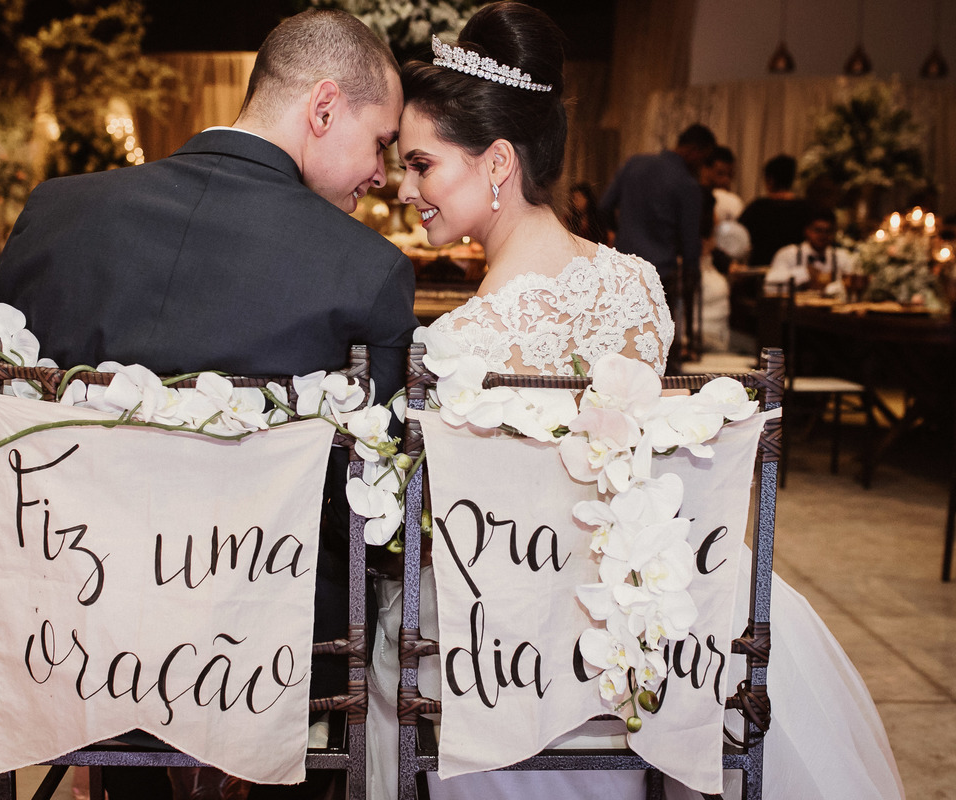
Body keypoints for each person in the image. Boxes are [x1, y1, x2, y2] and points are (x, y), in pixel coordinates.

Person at [371, 4, 904, 800]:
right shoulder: (638, 288)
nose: (406, 188)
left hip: (512, 650)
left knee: (389, 635)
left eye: (422, 164)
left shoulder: (454, 343)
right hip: (646, 620)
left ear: (498, 162)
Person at [0, 9, 418, 799]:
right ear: (324, 107)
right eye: (381, 141)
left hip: (76, 630)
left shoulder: (55, 213)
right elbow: (367, 499)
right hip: (270, 656)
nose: (382, 173)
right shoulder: (367, 269)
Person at [600, 123, 717, 362]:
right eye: (703, 158)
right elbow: (690, 244)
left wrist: (614, 235)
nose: (702, 165)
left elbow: (603, 207)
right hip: (660, 276)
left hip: (623, 271)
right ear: (694, 151)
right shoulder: (687, 184)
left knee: (620, 345)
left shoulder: (634, 164)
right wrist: (692, 278)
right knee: (659, 351)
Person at [738, 154, 813, 267]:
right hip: (796, 269)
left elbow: (738, 238)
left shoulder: (758, 207)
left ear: (770, 180)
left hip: (761, 269)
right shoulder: (806, 208)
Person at [764, 207, 855, 293]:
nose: (823, 236)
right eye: (818, 230)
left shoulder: (842, 257)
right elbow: (768, 286)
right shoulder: (788, 254)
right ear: (807, 231)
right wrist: (804, 273)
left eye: (828, 231)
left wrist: (830, 288)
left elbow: (851, 285)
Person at [704, 146, 743, 223]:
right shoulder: (695, 198)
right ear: (705, 170)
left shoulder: (733, 202)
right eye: (720, 174)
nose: (726, 180)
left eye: (730, 175)